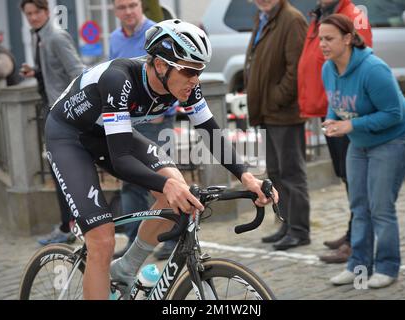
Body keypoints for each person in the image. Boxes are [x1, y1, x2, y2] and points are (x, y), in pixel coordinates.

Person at [45, 19, 278, 299]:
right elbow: (121, 159)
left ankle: (126, 269)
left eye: (199, 71)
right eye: (189, 71)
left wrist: (247, 177)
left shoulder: (187, 85)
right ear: (160, 65)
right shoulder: (119, 79)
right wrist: (166, 185)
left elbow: (210, 132)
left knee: (176, 191)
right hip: (69, 137)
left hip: (108, 132)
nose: (195, 80)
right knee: (102, 241)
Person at [319, 14, 405, 288]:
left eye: (330, 39)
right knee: (359, 206)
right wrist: (332, 120)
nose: (323, 44)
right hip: (359, 142)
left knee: (380, 208)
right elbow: (336, 103)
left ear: (348, 39)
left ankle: (387, 267)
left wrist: (349, 125)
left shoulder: (374, 69)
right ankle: (358, 267)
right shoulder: (328, 68)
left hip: (394, 141)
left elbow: (394, 114)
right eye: (321, 39)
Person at [297, 0, 372, 263]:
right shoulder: (321, 14)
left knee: (356, 179)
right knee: (345, 174)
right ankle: (353, 232)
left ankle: (357, 240)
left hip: (346, 111)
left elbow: (360, 60)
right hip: (328, 108)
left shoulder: (352, 15)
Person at [109, 0, 177, 260]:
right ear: (115, 11)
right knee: (130, 183)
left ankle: (171, 239)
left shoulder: (157, 32)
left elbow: (172, 75)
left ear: (141, 6)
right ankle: (135, 240)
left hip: (156, 121)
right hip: (128, 121)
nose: (128, 11)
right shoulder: (115, 38)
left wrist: (163, 114)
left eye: (133, 5)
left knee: (163, 183)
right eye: (122, 7)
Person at [244, 0, 310, 250]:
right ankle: (286, 224)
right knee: (276, 173)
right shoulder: (263, 17)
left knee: (292, 173)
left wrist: (276, 97)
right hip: (268, 112)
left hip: (284, 112)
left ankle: (300, 230)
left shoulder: (291, 19)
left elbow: (297, 69)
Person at [19, 0, 84, 245]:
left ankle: (69, 228)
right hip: (53, 113)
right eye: (29, 14)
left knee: (65, 174)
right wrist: (36, 72)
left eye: (37, 12)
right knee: (60, 174)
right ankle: (68, 226)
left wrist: (69, 111)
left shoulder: (55, 36)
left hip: (62, 116)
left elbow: (77, 73)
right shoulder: (41, 36)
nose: (33, 17)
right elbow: (55, 71)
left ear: (47, 12)